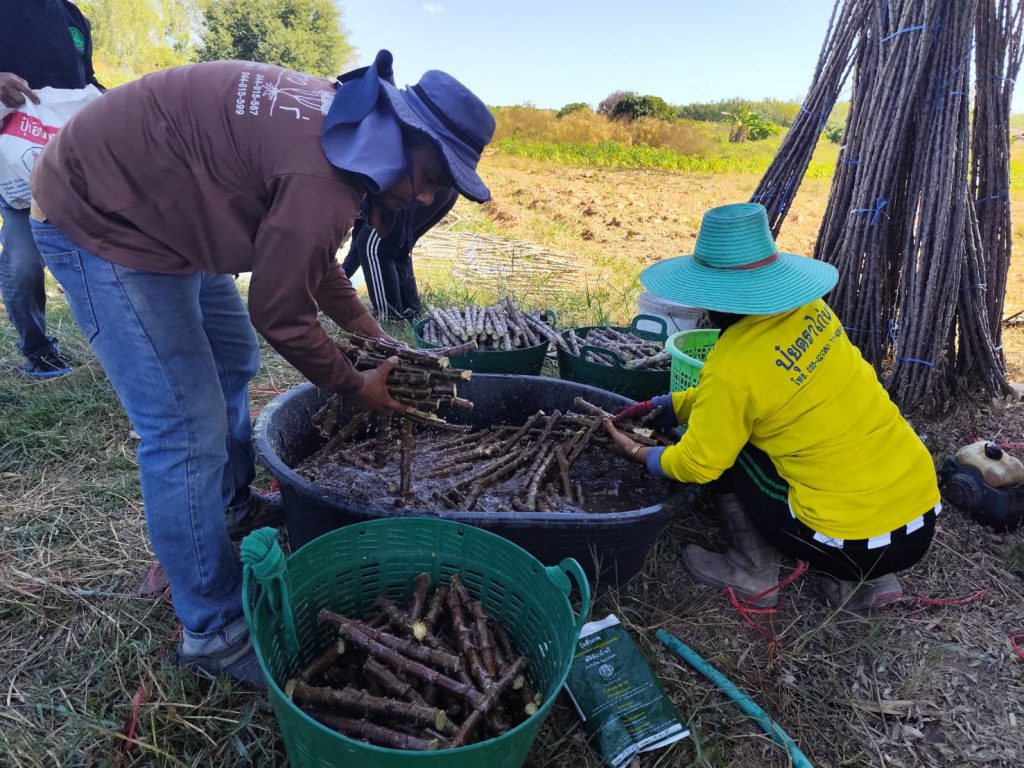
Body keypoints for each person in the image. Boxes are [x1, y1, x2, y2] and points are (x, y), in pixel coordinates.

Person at [29, 51, 496, 686]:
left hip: (162, 205)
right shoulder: (325, 176)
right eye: (431, 176)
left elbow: (312, 259)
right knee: (184, 428)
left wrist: (370, 332)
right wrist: (355, 385)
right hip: (101, 214)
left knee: (233, 357)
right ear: (407, 133)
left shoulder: (352, 127)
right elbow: (279, 313)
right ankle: (213, 632)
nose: (423, 196)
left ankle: (228, 507)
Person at [605, 203, 940, 613]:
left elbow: (698, 463)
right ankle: (864, 580)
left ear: (711, 300)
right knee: (815, 446)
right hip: (918, 520)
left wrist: (638, 451)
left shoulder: (733, 365)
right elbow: (761, 391)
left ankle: (751, 570)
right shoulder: (812, 312)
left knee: (729, 451)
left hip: (851, 543)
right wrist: (673, 405)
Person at [0, 0, 101, 377]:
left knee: (101, 255)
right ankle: (38, 349)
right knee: (24, 264)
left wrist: (115, 98)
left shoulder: (73, 15)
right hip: (16, 155)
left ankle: (114, 342)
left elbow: (87, 79)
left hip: (74, 158)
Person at [341, 187, 458, 320]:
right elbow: (357, 244)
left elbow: (363, 244)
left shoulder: (345, 199)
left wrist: (336, 280)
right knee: (398, 249)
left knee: (375, 247)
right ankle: (410, 313)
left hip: (416, 188)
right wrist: (338, 278)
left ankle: (388, 318)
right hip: (446, 188)